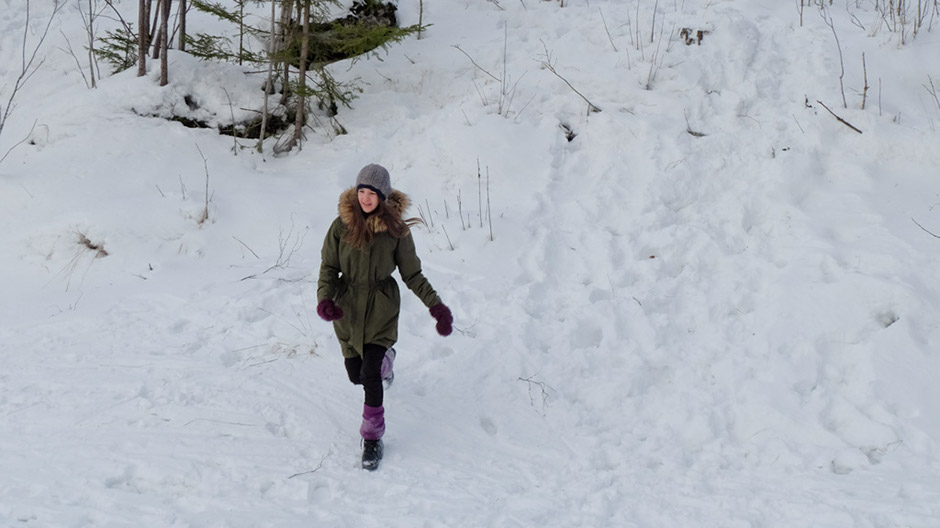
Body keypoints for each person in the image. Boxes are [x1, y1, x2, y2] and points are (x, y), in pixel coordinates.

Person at [316, 163, 453, 471]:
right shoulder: (341, 226)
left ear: (384, 195)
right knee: (356, 374)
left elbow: (413, 274)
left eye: (372, 193)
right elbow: (328, 268)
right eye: (361, 191)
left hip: (381, 309)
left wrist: (436, 307)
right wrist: (325, 299)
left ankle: (372, 437)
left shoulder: (396, 232)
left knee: (369, 375)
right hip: (348, 311)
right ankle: (387, 363)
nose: (365, 198)